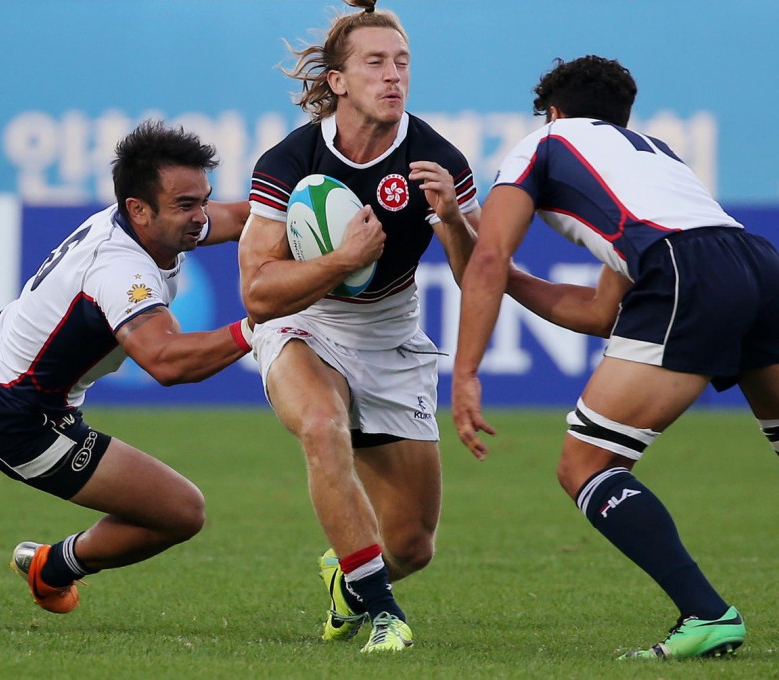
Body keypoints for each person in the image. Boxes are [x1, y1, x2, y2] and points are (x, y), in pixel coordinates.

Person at [451, 55, 779, 660]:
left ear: (551, 112)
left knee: (585, 464)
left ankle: (707, 616)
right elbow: (601, 312)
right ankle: (706, 614)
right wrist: (500, 273)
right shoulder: (652, 154)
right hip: (756, 262)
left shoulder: (542, 143)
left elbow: (489, 259)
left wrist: (466, 370)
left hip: (686, 271)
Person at [0, 119, 254, 615]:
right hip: (19, 414)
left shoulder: (142, 217)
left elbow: (243, 218)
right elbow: (165, 362)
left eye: (203, 199)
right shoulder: (121, 270)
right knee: (181, 512)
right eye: (186, 205)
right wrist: (259, 325)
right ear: (139, 208)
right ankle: (52, 567)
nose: (202, 216)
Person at [239, 0, 480, 653]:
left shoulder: (438, 158)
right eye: (375, 63)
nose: (393, 76)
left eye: (402, 62)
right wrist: (342, 260)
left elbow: (477, 277)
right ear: (338, 81)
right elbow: (257, 292)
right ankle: (382, 614)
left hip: (389, 329)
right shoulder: (291, 161)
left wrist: (455, 222)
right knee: (321, 426)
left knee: (411, 543)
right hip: (304, 318)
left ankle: (349, 577)